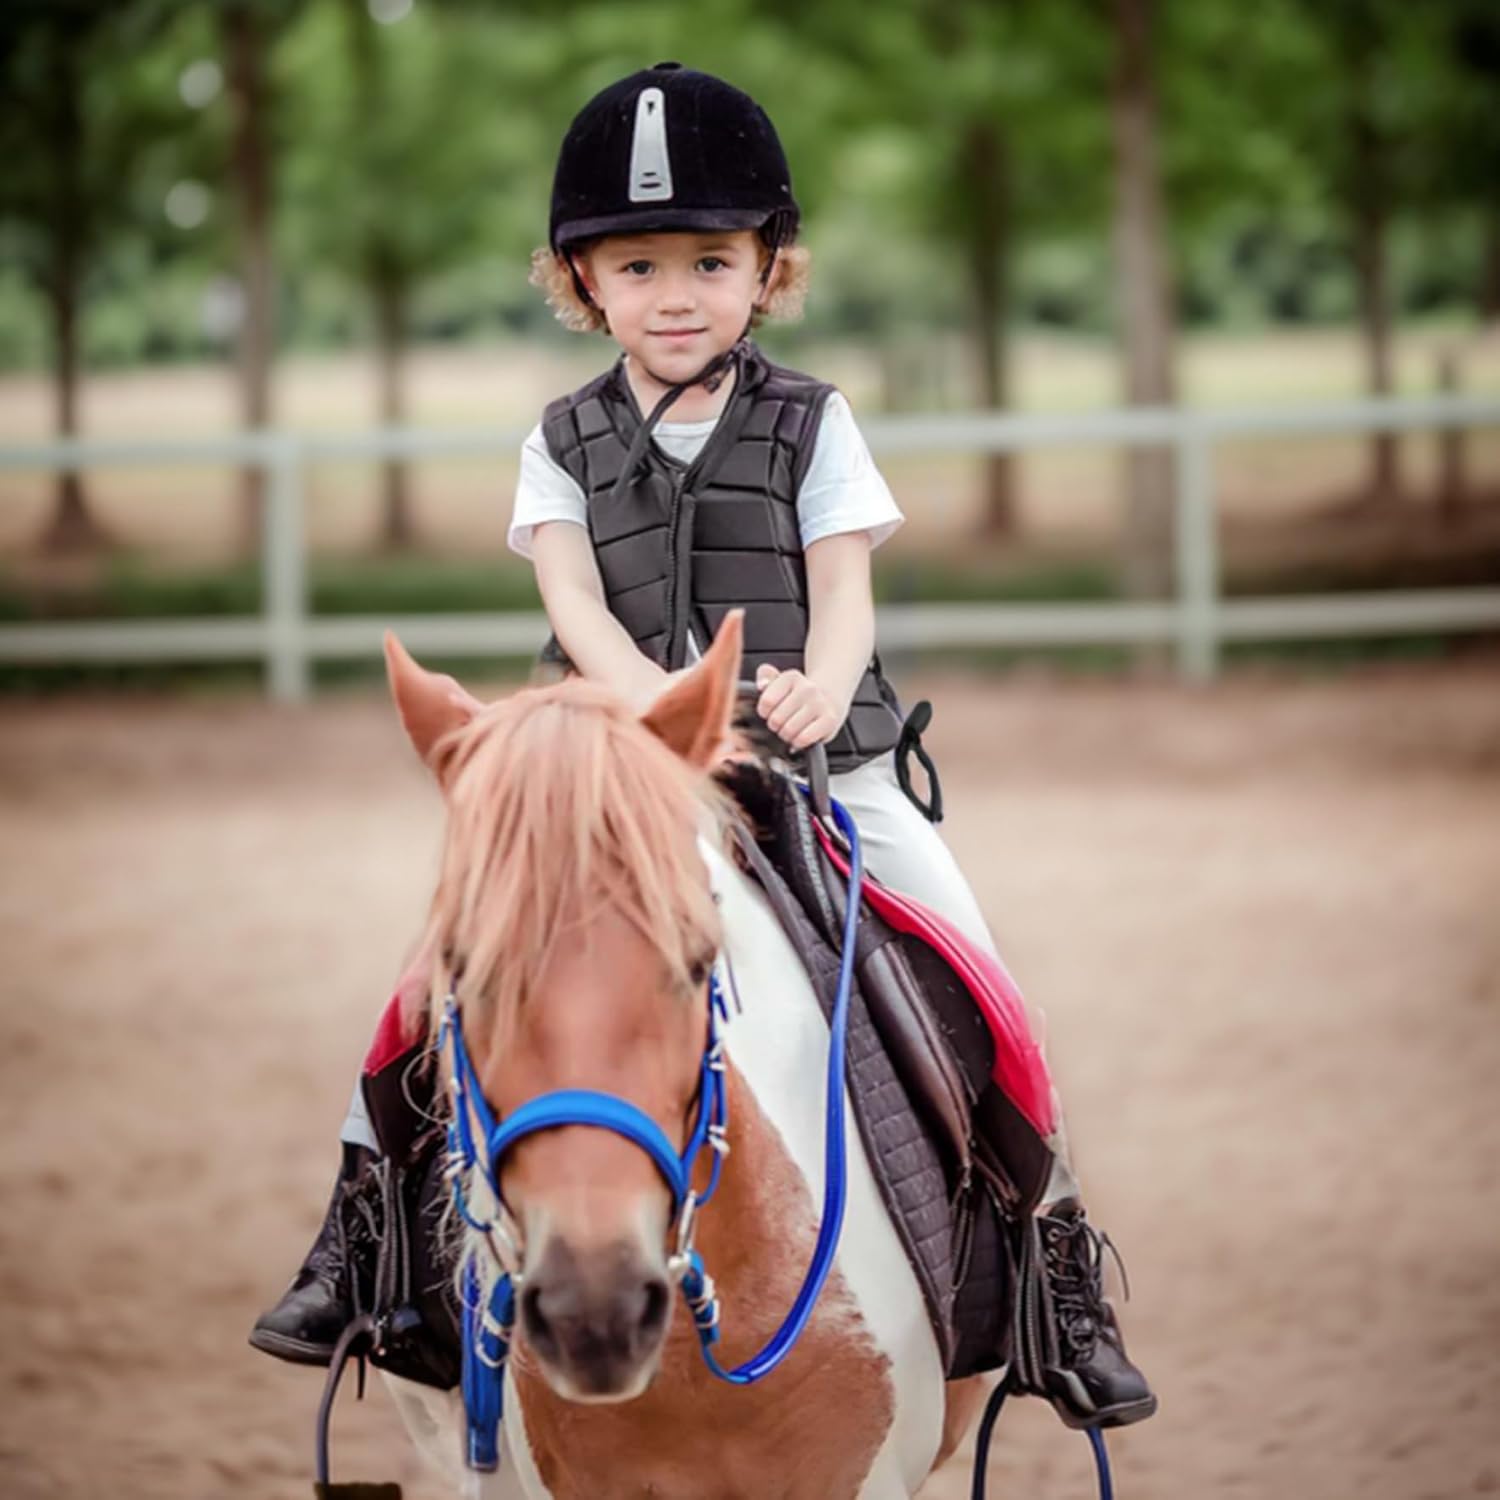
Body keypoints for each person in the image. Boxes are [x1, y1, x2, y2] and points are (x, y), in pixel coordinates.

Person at [251, 61, 1155, 1433]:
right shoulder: (558, 442)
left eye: (711, 262)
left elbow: (844, 589)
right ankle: (359, 1237)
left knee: (985, 982)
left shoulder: (814, 422)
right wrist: (658, 721)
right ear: (586, 282)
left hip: (819, 768)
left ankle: (1058, 1270)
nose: (677, 292)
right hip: (611, 780)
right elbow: (569, 599)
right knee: (426, 984)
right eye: (640, 263)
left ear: (764, 272)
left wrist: (811, 688)